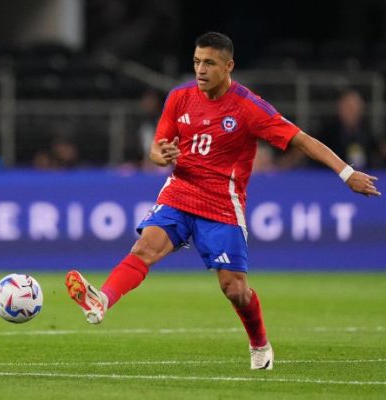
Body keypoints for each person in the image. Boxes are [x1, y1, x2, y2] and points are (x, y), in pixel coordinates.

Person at [65, 32, 380, 371]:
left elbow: (301, 140)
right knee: (145, 247)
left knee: (235, 289)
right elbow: (157, 147)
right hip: (179, 192)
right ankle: (102, 300)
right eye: (197, 62)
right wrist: (163, 154)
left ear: (228, 66)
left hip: (221, 206)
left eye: (210, 63)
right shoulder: (179, 97)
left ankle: (259, 343)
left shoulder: (248, 107)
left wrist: (347, 174)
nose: (201, 70)